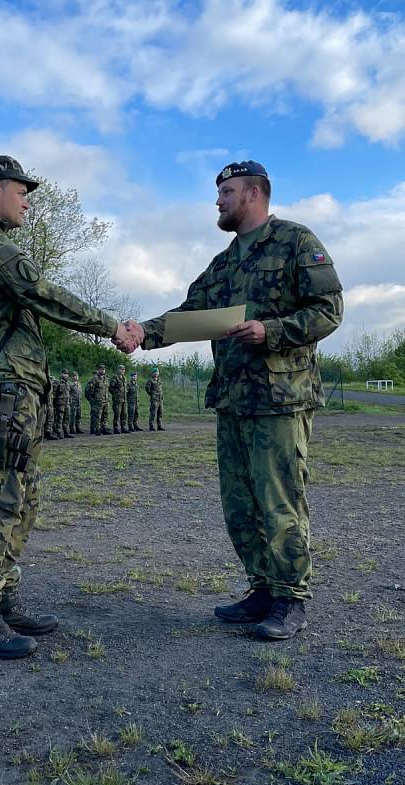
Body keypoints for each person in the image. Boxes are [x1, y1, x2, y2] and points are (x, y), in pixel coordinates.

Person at [118, 160, 343, 640]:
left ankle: (289, 599)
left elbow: (328, 310)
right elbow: (188, 314)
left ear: (255, 194)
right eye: (218, 192)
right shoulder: (224, 263)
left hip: (281, 400)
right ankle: (261, 589)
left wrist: (272, 330)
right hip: (233, 399)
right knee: (240, 506)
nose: (218, 200)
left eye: (226, 191)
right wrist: (142, 333)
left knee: (280, 502)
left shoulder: (296, 243)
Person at [0, 154, 134, 659]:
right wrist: (111, 326)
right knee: (2, 496)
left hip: (17, 391)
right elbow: (44, 294)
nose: (26, 199)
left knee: (22, 497)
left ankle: (4, 601)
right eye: (20, 190)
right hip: (4, 392)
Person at [84, 364, 111, 435]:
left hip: (105, 401)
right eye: (101, 369)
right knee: (97, 416)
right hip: (98, 401)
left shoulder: (106, 379)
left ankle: (103, 428)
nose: (102, 370)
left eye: (104, 369)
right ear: (98, 370)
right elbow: (87, 391)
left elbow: (108, 389)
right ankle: (96, 429)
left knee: (105, 416)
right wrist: (92, 401)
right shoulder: (94, 379)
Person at [53, 368, 74, 439]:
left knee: (67, 418)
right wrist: (54, 403)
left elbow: (70, 393)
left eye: (67, 374)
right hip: (60, 404)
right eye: (64, 374)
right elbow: (54, 394)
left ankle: (66, 432)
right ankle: (59, 433)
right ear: (61, 374)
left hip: (67, 404)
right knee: (59, 419)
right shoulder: (57, 382)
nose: (65, 375)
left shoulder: (69, 383)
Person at [109, 364, 129, 434]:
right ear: (118, 370)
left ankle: (123, 427)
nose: (123, 371)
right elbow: (110, 387)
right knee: (117, 414)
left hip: (124, 399)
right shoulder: (115, 378)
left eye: (124, 369)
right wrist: (115, 394)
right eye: (121, 369)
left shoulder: (124, 378)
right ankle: (116, 428)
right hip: (117, 400)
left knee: (124, 414)